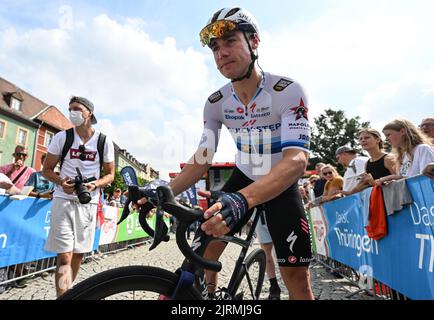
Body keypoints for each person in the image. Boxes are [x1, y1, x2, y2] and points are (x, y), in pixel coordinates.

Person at [139, 7, 314, 300]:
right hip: (243, 177)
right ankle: (206, 295)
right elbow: (203, 157)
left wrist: (244, 199)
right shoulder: (216, 102)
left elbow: (297, 160)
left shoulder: (287, 90)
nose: (222, 53)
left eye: (230, 41)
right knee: (196, 259)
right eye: (215, 48)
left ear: (254, 41)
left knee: (297, 280)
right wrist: (163, 191)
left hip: (280, 185)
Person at [42, 96, 115, 297]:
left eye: (76, 108)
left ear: (89, 113)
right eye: (70, 109)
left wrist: (95, 184)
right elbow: (46, 169)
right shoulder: (62, 137)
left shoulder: (103, 141)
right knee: (64, 255)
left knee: (78, 253)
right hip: (63, 200)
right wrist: (60, 182)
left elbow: (110, 175)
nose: (72, 112)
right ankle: (62, 296)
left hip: (88, 201)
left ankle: (67, 293)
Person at [338, 129, 398, 195]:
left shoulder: (388, 158)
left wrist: (377, 181)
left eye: (367, 137)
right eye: (360, 139)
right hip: (379, 200)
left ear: (377, 140)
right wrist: (348, 193)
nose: (363, 140)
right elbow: (365, 185)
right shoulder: (367, 163)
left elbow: (400, 179)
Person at [379, 118, 434, 184]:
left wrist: (396, 178)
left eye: (388, 135)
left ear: (402, 131)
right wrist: (394, 183)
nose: (386, 139)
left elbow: (426, 180)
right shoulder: (401, 157)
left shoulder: (422, 149)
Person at [252, 212, 282, 300]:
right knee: (268, 250)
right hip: (263, 213)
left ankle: (274, 288)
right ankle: (274, 287)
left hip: (264, 211)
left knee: (268, 250)